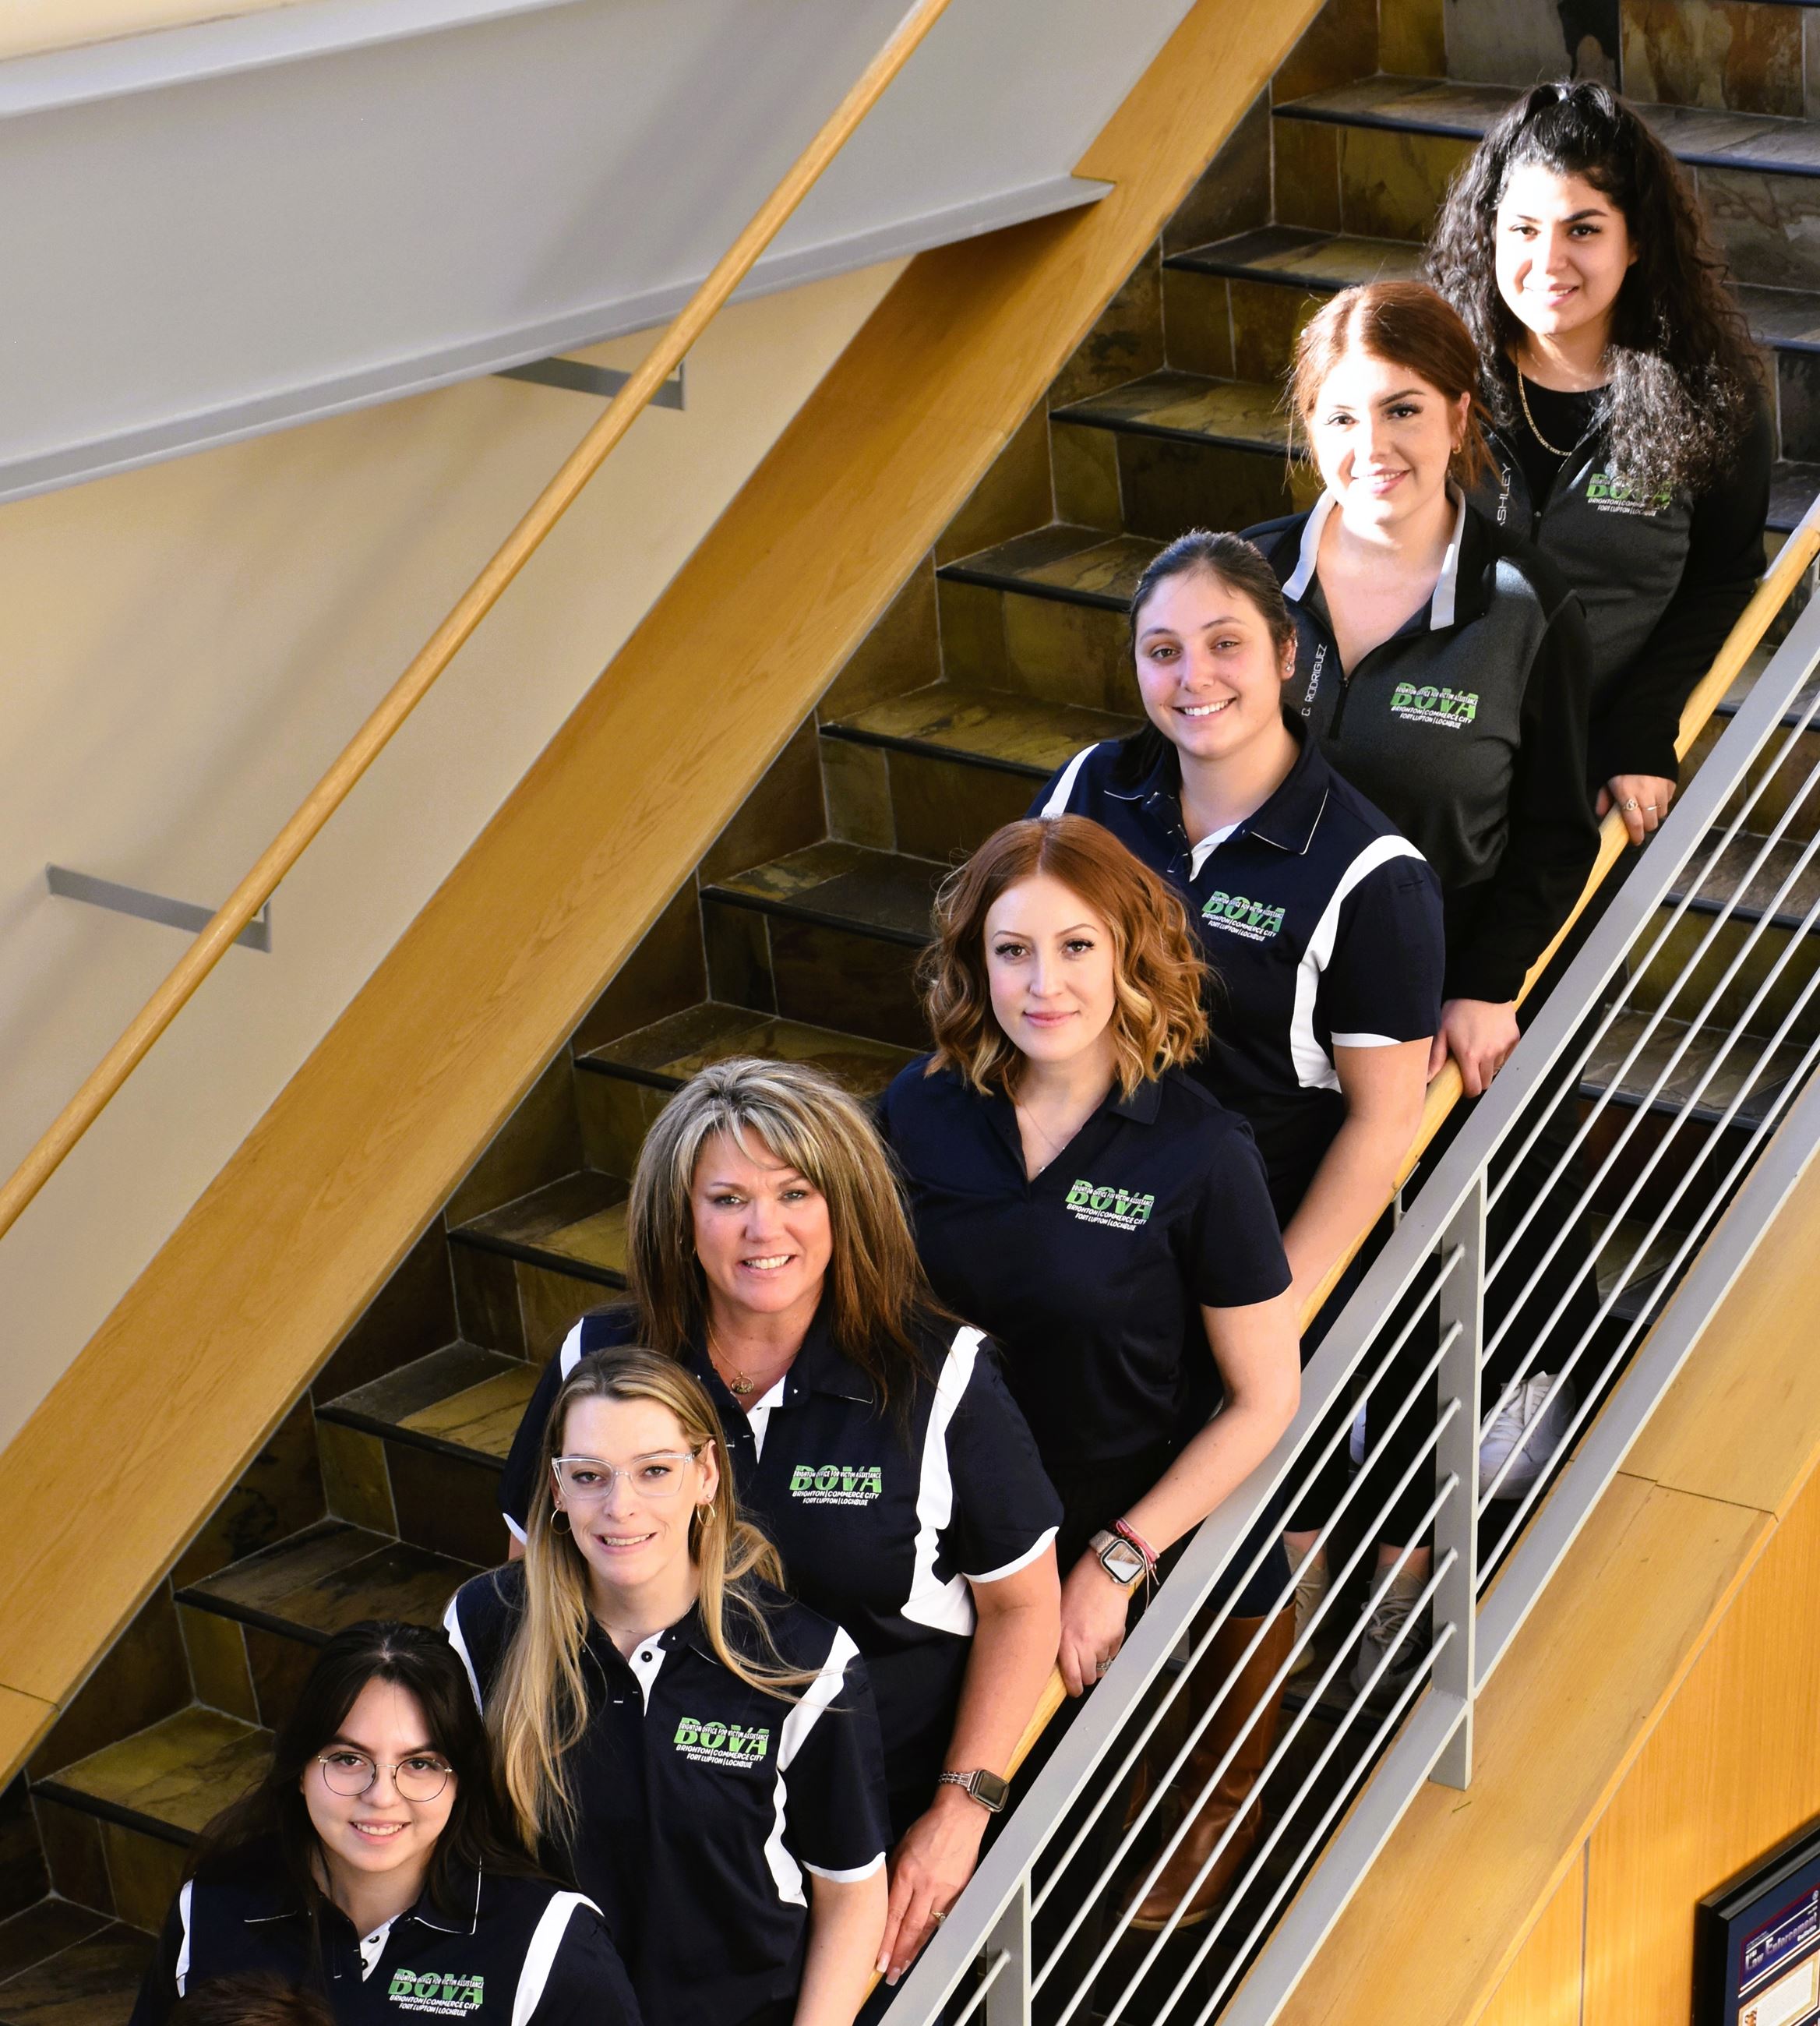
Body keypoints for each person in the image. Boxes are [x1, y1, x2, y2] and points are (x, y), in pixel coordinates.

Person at [495, 1058, 1061, 1985]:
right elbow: (533, 1582)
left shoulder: (939, 1376)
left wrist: (959, 1813)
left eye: (795, 1191)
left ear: (844, 1204)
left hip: (866, 1841)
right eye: (726, 1197)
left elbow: (1021, 1607)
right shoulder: (601, 1355)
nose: (765, 1228)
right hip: (645, 1828)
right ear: (681, 1222)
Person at [1246, 278, 1601, 1694]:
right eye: (1341, 415)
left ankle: (1388, 1606)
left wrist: (1488, 981)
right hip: (1258, 1028)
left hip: (1423, 1023)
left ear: (1460, 415)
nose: (1371, 442)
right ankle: (1287, 1591)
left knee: (1404, 1294)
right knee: (1273, 1298)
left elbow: (1558, 828)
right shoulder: (1245, 584)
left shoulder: (1522, 605)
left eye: (1402, 409)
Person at [877, 814, 1301, 1936]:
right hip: (940, 1544)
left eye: (1075, 948)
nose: (1042, 982)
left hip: (1110, 1544)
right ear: (975, 963)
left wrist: (1116, 1560)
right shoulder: (916, 1112)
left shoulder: (1200, 1150)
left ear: (1130, 958)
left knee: (1117, 1902)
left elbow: (1267, 1399)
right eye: (1012, 951)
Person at [1032, 529, 1442, 1298]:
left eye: (1225, 643)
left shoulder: (1374, 878)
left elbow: (1384, 1122)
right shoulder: (1087, 789)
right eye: (1161, 651)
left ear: (1286, 652)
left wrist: (1277, 1300)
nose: (1193, 677)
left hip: (1218, 1249)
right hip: (1060, 1201)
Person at [450, 1347, 892, 2026]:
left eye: (655, 1471)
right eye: (590, 1476)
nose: (620, 1507)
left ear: (706, 1474)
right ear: (558, 1489)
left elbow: (852, 1896)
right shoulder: (484, 1626)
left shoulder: (804, 1661)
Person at [1427, 79, 1770, 846]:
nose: (1545, 261)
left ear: (1635, 238)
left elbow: (1719, 582)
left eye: (1581, 230)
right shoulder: (1433, 374)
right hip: (1427, 733)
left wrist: (1641, 729)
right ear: (1488, 233)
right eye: (1520, 229)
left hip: (1579, 762)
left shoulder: (1710, 397)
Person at [129, 1621, 639, 2026]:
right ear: (301, 1771)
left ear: (460, 1780)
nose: (381, 1796)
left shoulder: (548, 1944)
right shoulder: (214, 1908)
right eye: (348, 1759)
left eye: (420, 1764)